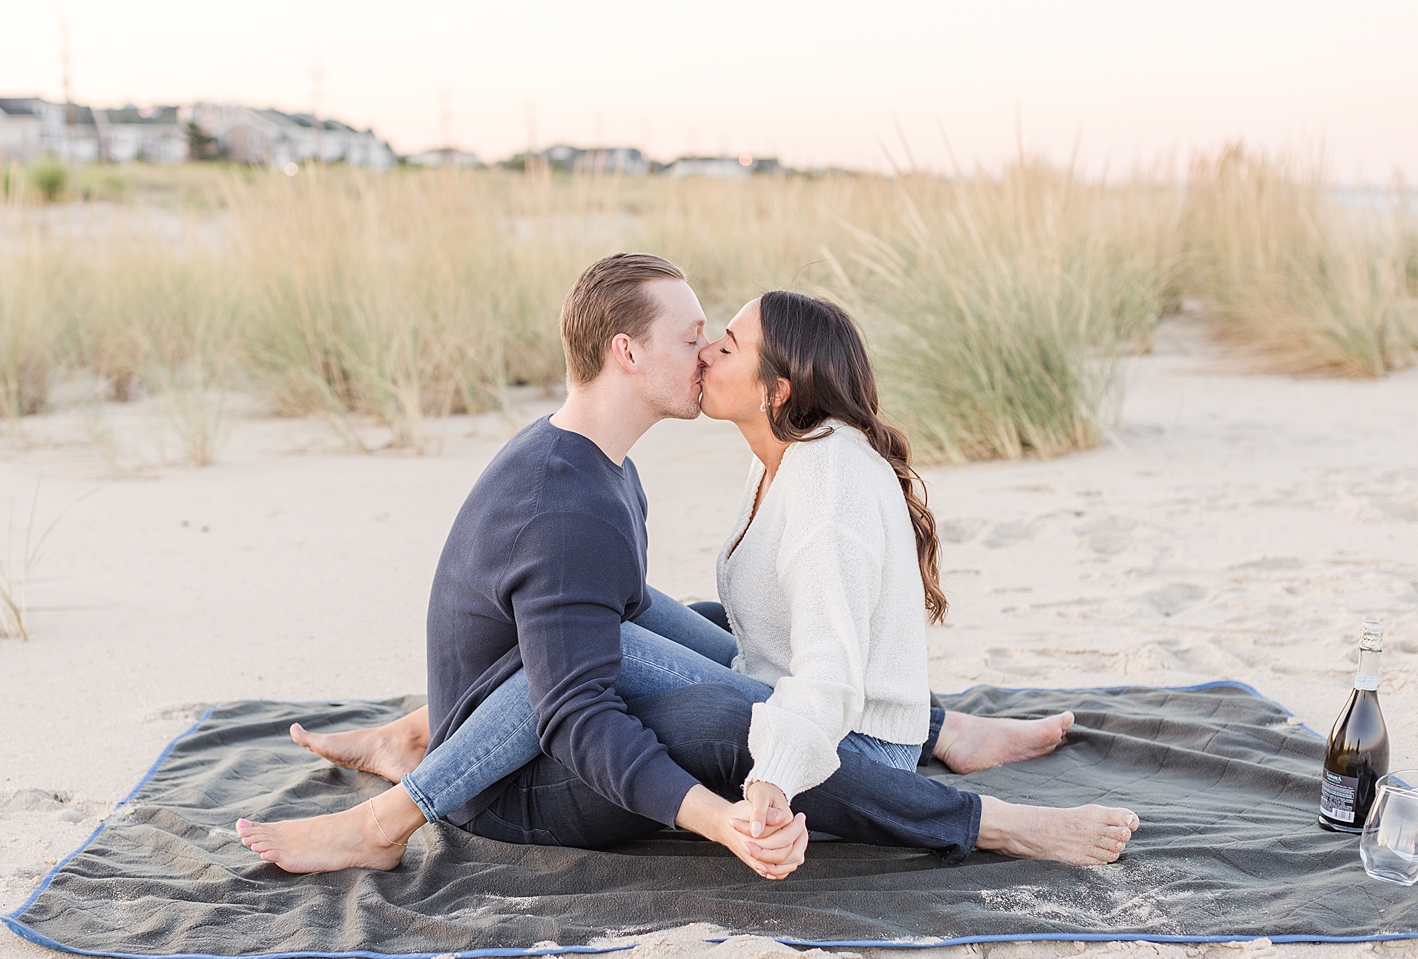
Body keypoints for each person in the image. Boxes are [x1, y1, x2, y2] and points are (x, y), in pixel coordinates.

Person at [237, 254, 1139, 876]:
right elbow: (580, 710)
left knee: (673, 628)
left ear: (777, 391)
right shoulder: (575, 500)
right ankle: (390, 812)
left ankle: (933, 730)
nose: (705, 354)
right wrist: (723, 815)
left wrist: (779, 776)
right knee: (662, 670)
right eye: (693, 337)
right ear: (626, 353)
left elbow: (758, 637)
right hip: (526, 785)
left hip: (643, 710)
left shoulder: (600, 461)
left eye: (722, 342)